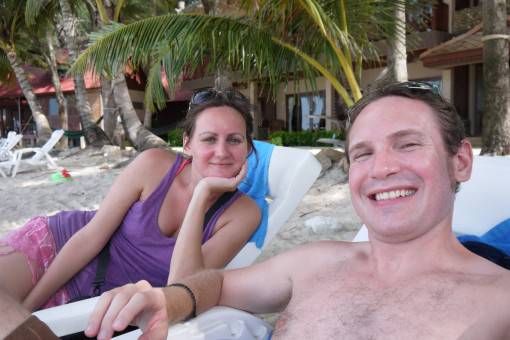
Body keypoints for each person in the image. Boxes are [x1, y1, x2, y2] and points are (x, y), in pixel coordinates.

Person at [82, 81, 510, 339]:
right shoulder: (315, 262)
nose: (382, 168)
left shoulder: (498, 301)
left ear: (461, 161)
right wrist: (165, 301)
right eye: (362, 153)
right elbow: (212, 285)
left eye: (408, 144)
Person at [0, 88, 261, 312]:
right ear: (188, 144)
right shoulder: (154, 164)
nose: (221, 152)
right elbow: (90, 237)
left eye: (234, 140)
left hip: (100, 304)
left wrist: (202, 194)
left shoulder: (243, 214)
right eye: (209, 139)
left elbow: (182, 289)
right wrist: (29, 309)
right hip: (56, 245)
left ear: (247, 148)